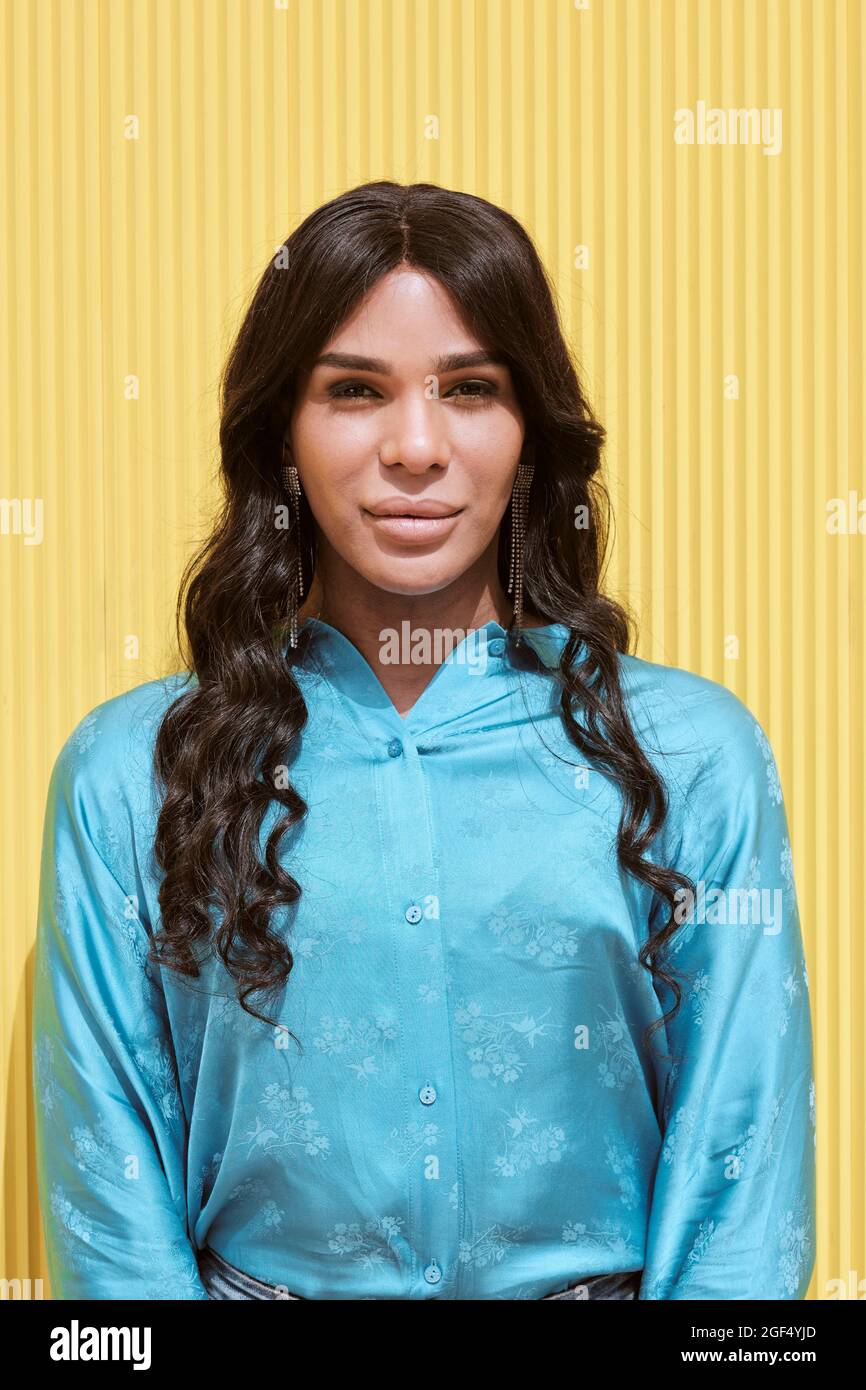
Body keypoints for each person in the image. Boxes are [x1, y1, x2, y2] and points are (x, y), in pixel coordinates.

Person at [32, 180, 816, 1300]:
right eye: (354, 390)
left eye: (469, 388)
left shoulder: (689, 758)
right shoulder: (130, 771)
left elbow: (744, 1162)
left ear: (529, 431)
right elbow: (106, 1185)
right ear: (283, 440)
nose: (414, 446)